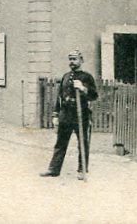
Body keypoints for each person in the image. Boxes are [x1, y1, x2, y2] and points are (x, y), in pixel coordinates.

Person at [40, 50, 98, 179]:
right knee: (60, 143)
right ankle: (53, 169)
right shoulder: (65, 76)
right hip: (65, 114)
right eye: (70, 59)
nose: (72, 62)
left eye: (74, 59)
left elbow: (94, 96)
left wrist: (83, 88)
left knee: (83, 143)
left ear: (81, 61)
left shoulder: (87, 77)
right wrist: (55, 115)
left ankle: (82, 170)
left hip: (80, 115)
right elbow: (59, 97)